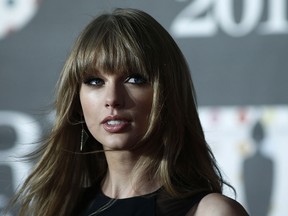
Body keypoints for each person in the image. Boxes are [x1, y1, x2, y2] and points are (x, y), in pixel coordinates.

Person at [10, 8, 249, 216]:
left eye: (134, 79)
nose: (112, 99)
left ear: (167, 92)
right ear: (76, 99)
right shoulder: (60, 208)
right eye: (95, 81)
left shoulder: (210, 212)